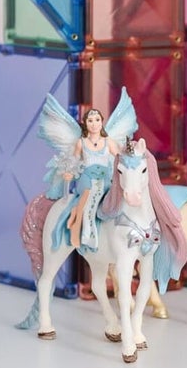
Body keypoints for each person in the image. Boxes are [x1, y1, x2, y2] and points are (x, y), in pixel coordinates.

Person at [37, 92, 137, 253]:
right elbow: (73, 161)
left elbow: (120, 157)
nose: (94, 123)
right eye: (90, 120)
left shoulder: (108, 141)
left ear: (102, 122)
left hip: (105, 178)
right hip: (87, 178)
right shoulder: (80, 143)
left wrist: (131, 157)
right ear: (85, 123)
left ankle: (85, 220)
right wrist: (68, 173)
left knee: (110, 194)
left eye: (97, 120)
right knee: (89, 193)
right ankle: (85, 233)